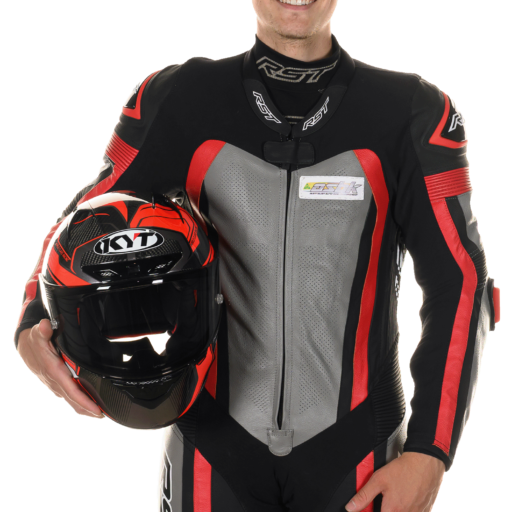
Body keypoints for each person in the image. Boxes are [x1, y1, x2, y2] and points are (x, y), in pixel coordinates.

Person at [14, 1, 499, 511]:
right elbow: (91, 218)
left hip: (359, 451)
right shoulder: (178, 98)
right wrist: (34, 314)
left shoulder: (411, 112)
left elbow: (461, 283)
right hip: (211, 446)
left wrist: (429, 451)